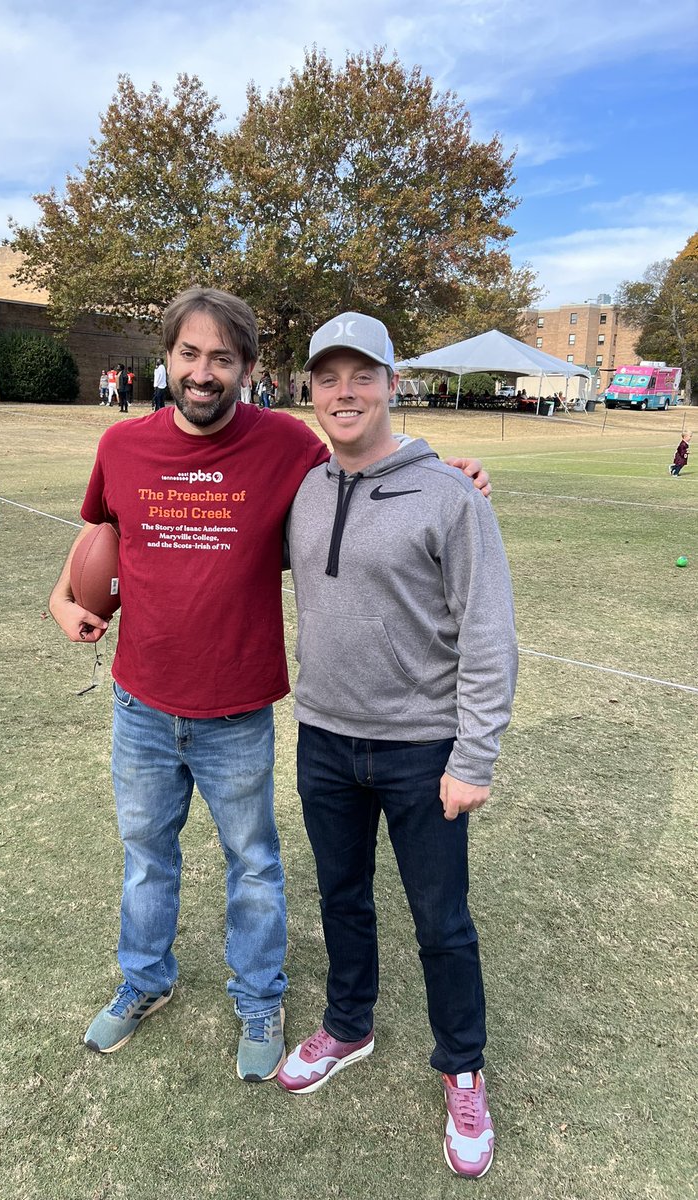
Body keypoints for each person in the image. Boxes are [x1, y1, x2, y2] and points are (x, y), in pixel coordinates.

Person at [48, 287, 490, 1084]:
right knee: (147, 856)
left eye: (223, 358)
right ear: (168, 358)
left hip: (237, 709)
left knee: (253, 863)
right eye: (190, 354)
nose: (204, 372)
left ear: (248, 368)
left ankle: (259, 999)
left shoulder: (288, 445)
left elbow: (369, 460)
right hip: (140, 702)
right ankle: (145, 981)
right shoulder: (122, 447)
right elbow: (102, 532)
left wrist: (447, 470)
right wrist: (62, 597)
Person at [276, 313, 517, 1181]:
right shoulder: (302, 487)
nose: (345, 392)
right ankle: (349, 1025)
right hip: (324, 739)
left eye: (362, 375)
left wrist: (473, 758)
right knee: (341, 898)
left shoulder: (450, 495)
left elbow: (489, 636)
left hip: (422, 749)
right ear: (310, 387)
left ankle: (463, 1069)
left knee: (442, 923)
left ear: (391, 383)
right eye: (328, 376)